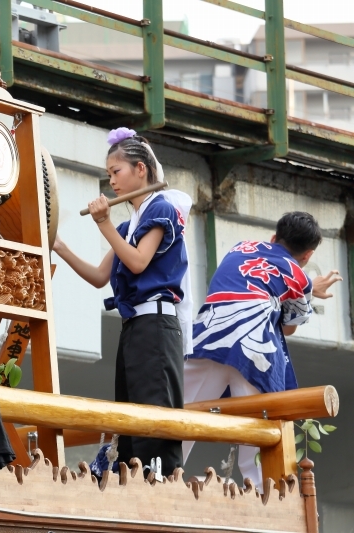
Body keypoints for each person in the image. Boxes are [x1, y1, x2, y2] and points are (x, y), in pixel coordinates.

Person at [53, 127, 187, 477]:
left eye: (117, 172)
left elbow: (139, 261)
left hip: (156, 326)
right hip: (135, 328)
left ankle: (161, 488)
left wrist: (104, 223)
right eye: (109, 174)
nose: (111, 180)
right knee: (129, 419)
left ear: (140, 169)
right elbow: (101, 276)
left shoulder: (162, 208)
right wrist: (60, 246)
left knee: (153, 421)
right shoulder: (131, 223)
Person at [184, 212, 342, 489]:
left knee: (181, 410)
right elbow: (289, 327)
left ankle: (153, 472)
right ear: (307, 255)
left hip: (208, 338)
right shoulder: (300, 277)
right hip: (252, 351)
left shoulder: (241, 247)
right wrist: (309, 289)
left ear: (273, 237)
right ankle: (264, 494)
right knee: (259, 426)